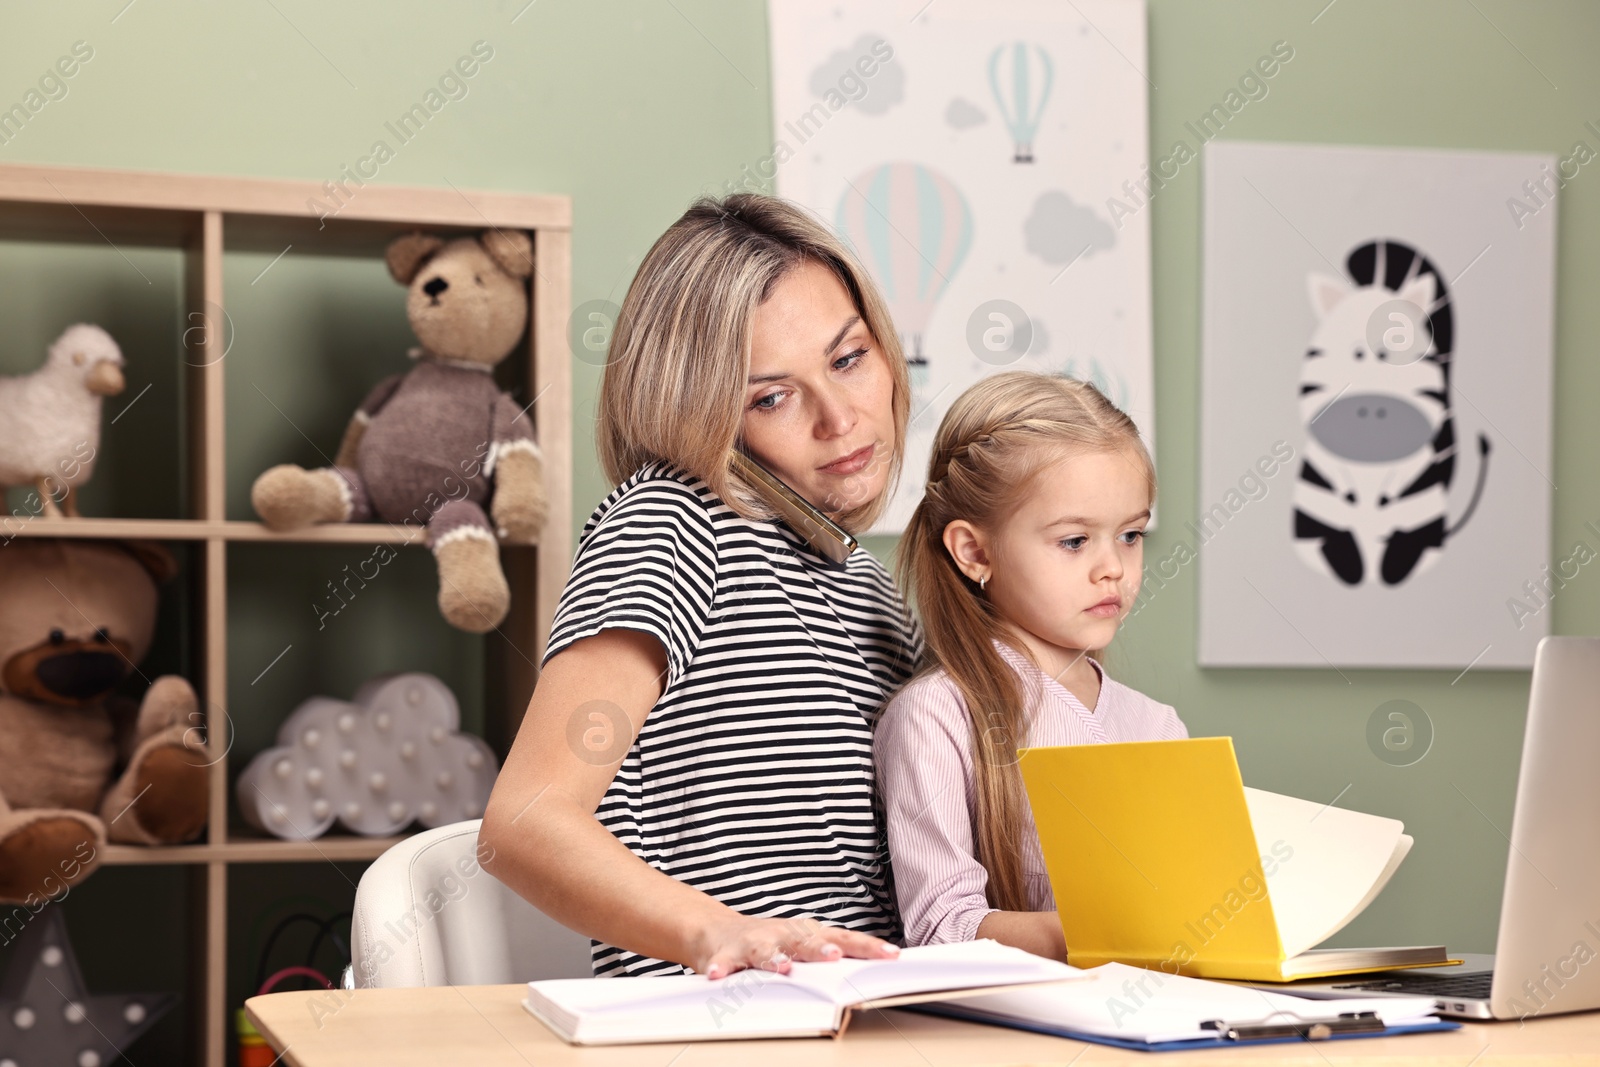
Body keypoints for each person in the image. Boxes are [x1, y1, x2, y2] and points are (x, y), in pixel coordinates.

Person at [480, 193, 921, 979]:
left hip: (876, 1016)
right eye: (771, 396)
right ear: (702, 410)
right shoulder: (672, 522)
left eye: (849, 358)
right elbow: (524, 820)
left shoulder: (867, 584)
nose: (840, 417)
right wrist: (717, 931)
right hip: (724, 1026)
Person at [875, 371, 1187, 962]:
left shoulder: (1158, 726)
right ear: (974, 551)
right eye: (1074, 541)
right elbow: (941, 926)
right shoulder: (934, 718)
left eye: (1130, 535)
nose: (1113, 569)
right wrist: (1090, 934)